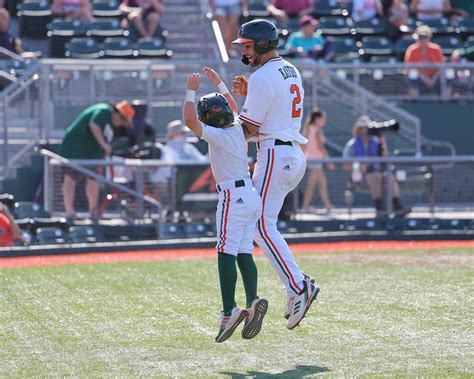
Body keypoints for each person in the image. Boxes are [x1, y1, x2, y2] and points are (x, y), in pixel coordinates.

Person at [231, 19, 320, 330]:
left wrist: (215, 125)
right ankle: (296, 283)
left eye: (248, 45)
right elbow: (268, 116)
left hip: (276, 155)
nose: (244, 50)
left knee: (259, 226)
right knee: (261, 226)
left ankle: (298, 285)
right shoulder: (289, 69)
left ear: (264, 44)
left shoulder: (263, 77)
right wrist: (246, 99)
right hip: (290, 152)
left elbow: (248, 130)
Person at [183, 67, 268, 343]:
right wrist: (218, 81)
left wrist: (191, 89)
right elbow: (231, 104)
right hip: (250, 196)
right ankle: (253, 299)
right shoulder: (237, 129)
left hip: (232, 196)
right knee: (244, 251)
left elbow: (188, 121)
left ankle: (228, 310)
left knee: (224, 251)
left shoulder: (217, 134)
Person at [59, 101, 135, 219]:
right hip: (74, 150)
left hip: (91, 154)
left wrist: (102, 155)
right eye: (122, 120)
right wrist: (104, 145)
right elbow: (94, 124)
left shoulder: (111, 126)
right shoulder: (103, 111)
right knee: (71, 178)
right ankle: (70, 212)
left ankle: (93, 212)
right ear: (117, 114)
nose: (120, 124)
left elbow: (104, 141)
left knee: (93, 180)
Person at [342, 115, 410, 217]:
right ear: (357, 130)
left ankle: (397, 205)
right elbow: (345, 165)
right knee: (374, 176)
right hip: (360, 176)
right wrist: (359, 167)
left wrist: (382, 145)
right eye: (362, 128)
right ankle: (379, 207)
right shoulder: (351, 145)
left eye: (367, 128)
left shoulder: (375, 142)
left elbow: (384, 160)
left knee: (389, 177)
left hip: (378, 173)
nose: (365, 131)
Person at [301, 108, 334, 213]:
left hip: (311, 161)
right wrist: (329, 161)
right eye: (322, 119)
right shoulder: (317, 131)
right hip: (315, 161)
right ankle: (306, 206)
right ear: (317, 119)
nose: (324, 121)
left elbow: (303, 147)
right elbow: (321, 148)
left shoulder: (308, 129)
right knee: (312, 185)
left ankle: (327, 205)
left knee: (322, 183)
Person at [404, 25, 446, 97]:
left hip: (434, 78)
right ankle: (415, 101)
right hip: (419, 79)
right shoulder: (412, 50)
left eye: (425, 37)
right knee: (413, 74)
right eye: (420, 38)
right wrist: (424, 78)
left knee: (448, 73)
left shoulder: (436, 49)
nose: (422, 40)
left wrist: (433, 79)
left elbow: (441, 67)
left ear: (429, 38)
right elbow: (409, 69)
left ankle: (445, 101)